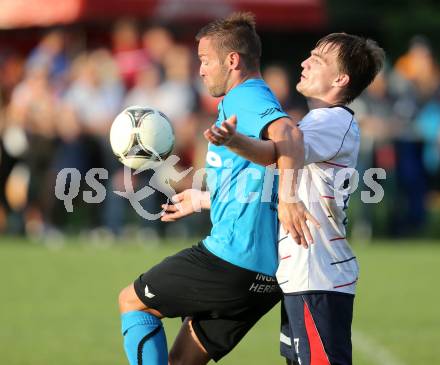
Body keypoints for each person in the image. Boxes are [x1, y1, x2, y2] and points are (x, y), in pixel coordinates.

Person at [118, 12, 314, 365]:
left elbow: (289, 134)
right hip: (266, 277)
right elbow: (258, 174)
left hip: (230, 261)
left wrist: (288, 198)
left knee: (132, 301)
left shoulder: (246, 98)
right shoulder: (246, 100)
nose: (202, 70)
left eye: (206, 60)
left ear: (232, 60)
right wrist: (202, 199)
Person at [202, 33, 385, 364]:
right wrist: (203, 200)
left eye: (318, 59)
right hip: (304, 276)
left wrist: (234, 141)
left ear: (340, 79)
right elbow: (275, 171)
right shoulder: (318, 121)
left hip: (319, 276)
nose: (305, 62)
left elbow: (277, 151)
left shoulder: (332, 121)